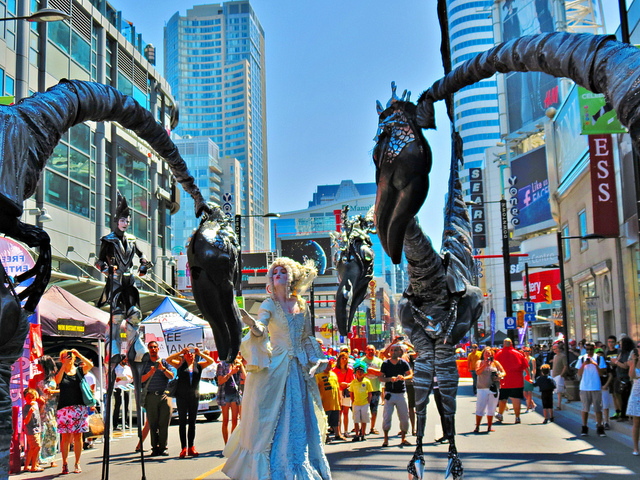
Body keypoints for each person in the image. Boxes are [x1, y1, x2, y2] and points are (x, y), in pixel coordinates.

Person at [222, 258, 331, 480]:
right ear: (271, 279)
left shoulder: (302, 304)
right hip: (277, 366)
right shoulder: (268, 304)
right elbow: (262, 328)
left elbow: (308, 336)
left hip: (300, 368)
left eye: (283, 270)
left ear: (291, 277)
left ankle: (301, 465)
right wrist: (253, 325)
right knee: (272, 415)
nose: (278, 274)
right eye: (274, 272)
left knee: (301, 415)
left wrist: (318, 360)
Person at [167, 347, 215, 457]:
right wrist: (180, 353)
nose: (190, 355)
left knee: (192, 422)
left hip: (194, 396)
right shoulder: (180, 365)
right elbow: (168, 360)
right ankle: (183, 447)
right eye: (188, 354)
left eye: (192, 354)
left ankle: (191, 447)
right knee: (182, 422)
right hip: (181, 396)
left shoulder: (198, 365)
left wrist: (200, 353)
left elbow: (211, 361)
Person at [55, 348, 94, 475]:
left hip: (79, 408)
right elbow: (57, 381)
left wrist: (79, 354)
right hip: (64, 408)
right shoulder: (61, 372)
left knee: (78, 435)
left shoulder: (79, 371)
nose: (69, 358)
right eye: (66, 357)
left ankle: (77, 462)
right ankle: (65, 463)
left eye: (70, 356)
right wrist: (64, 366)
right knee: (65, 437)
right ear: (61, 359)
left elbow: (90, 365)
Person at [140, 341, 174, 456]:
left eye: (155, 347)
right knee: (152, 423)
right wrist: (150, 373)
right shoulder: (145, 364)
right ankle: (155, 448)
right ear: (148, 349)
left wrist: (162, 369)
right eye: (151, 347)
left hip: (163, 395)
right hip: (151, 397)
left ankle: (163, 447)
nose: (153, 349)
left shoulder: (164, 362)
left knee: (164, 423)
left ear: (158, 349)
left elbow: (171, 376)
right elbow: (140, 380)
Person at [380, 344, 412, 447]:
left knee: (404, 417)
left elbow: (410, 374)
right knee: (387, 416)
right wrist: (390, 379)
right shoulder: (385, 363)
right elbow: (381, 378)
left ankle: (403, 438)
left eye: (396, 350)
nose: (394, 352)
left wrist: (403, 378)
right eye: (392, 350)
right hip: (389, 393)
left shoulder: (403, 363)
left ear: (400, 352)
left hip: (401, 393)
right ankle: (385, 439)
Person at [575, 342, 607, 437]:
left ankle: (600, 427)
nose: (589, 351)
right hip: (584, 387)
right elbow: (579, 373)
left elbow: (602, 373)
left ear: (594, 349)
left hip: (596, 386)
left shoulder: (599, 358)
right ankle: (584, 427)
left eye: (591, 349)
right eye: (587, 349)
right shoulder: (581, 358)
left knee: (598, 408)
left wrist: (594, 364)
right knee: (585, 408)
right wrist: (584, 364)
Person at [32, 355, 59, 468]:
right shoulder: (36, 377)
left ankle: (52, 457)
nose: (38, 366)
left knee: (52, 432)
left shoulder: (55, 377)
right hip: (41, 407)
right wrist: (38, 398)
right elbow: (31, 390)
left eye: (40, 364)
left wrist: (53, 391)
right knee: (41, 432)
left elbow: (61, 390)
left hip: (52, 407)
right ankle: (39, 458)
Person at [495, 338, 529, 424]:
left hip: (504, 381)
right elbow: (526, 366)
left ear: (503, 343)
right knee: (516, 399)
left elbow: (494, 366)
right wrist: (529, 375)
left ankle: (500, 414)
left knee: (502, 399)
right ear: (511, 343)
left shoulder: (499, 353)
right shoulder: (518, 354)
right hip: (517, 380)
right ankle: (517, 417)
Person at [474, 347, 505, 433]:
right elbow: (477, 372)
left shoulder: (495, 363)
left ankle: (489, 426)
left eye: (489, 353)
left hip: (493, 388)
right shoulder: (479, 362)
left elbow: (503, 372)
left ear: (492, 354)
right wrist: (484, 365)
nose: (488, 354)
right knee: (480, 407)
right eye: (486, 353)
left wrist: (500, 376)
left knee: (492, 408)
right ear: (483, 354)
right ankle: (477, 426)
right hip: (482, 388)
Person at [216, 355, 245, 445]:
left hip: (234, 393)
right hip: (225, 394)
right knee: (225, 420)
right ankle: (226, 444)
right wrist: (231, 373)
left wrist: (241, 365)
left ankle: (233, 444)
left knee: (235, 421)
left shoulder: (236, 365)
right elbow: (220, 381)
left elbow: (245, 377)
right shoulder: (221, 365)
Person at [316, 360, 343, 442]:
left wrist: (339, 399)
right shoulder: (318, 376)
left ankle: (337, 434)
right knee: (325, 421)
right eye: (327, 365)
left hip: (335, 402)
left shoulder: (333, 375)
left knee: (336, 420)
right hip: (325, 403)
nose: (328, 367)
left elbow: (338, 388)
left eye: (330, 365)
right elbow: (316, 390)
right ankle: (326, 436)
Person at [611, 336, 635, 421]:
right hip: (619, 376)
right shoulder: (621, 352)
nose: (619, 345)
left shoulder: (628, 353)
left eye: (621, 343)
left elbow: (625, 366)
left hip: (625, 378)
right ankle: (621, 412)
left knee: (625, 397)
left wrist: (616, 362)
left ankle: (625, 415)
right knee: (617, 395)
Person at [349, 361, 373, 442]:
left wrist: (368, 402)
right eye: (358, 371)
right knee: (356, 420)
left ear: (364, 372)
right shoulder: (353, 382)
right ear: (356, 372)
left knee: (364, 419)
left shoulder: (367, 381)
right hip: (356, 403)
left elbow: (370, 393)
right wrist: (353, 401)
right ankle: (356, 434)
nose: (360, 373)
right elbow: (351, 392)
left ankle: (363, 434)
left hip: (364, 403)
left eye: (361, 371)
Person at [362, 344, 383, 435]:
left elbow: (381, 373)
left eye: (372, 350)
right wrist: (370, 371)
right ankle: (362, 429)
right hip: (363, 389)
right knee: (363, 409)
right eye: (369, 350)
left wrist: (370, 370)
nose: (371, 351)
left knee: (374, 410)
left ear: (375, 351)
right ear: (366, 351)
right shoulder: (361, 361)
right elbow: (360, 373)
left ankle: (372, 427)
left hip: (375, 388)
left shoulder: (379, 361)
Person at [333, 351, 354, 438]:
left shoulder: (350, 369)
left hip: (346, 392)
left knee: (346, 412)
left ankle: (346, 431)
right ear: (339, 359)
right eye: (343, 358)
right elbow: (333, 381)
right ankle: (339, 432)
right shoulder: (334, 370)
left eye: (346, 358)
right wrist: (339, 384)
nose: (344, 360)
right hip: (338, 392)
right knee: (339, 413)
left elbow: (353, 381)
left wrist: (347, 384)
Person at [23, 387, 43, 472]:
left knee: (32, 448)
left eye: (32, 397)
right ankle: (33, 466)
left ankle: (27, 466)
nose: (31, 399)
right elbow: (26, 421)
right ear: (25, 398)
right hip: (31, 430)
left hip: (37, 428)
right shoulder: (26, 408)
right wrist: (30, 412)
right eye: (28, 397)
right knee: (37, 446)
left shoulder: (35, 404)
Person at [625, 346, 640, 455]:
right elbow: (632, 376)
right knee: (636, 422)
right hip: (636, 394)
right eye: (638, 346)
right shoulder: (632, 361)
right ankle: (636, 448)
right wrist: (634, 362)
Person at [596, 347, 614, 429]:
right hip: (596, 387)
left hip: (604, 387)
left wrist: (606, 385)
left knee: (605, 405)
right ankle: (599, 421)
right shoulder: (593, 363)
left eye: (601, 353)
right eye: (598, 353)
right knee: (597, 405)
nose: (600, 355)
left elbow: (610, 375)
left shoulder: (606, 363)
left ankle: (606, 421)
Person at [113, 357, 133, 430]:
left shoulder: (128, 368)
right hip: (118, 389)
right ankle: (115, 424)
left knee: (126, 406)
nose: (126, 361)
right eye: (124, 360)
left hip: (126, 388)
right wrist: (123, 378)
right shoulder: (116, 368)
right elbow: (116, 379)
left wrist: (127, 378)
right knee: (117, 406)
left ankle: (125, 422)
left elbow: (131, 378)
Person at [551, 342, 568, 410]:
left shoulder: (563, 356)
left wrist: (561, 374)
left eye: (555, 349)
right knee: (557, 391)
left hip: (559, 375)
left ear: (558, 349)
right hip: (555, 375)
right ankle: (559, 403)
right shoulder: (555, 356)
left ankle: (559, 405)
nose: (554, 350)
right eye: (553, 349)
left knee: (559, 391)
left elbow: (565, 366)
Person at [522, 346, 536, 412]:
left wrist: (533, 377)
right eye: (524, 351)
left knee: (529, 392)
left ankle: (528, 407)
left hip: (529, 376)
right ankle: (532, 403)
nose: (526, 352)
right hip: (524, 376)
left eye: (527, 351)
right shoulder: (523, 359)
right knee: (524, 393)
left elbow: (534, 369)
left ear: (530, 352)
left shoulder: (532, 359)